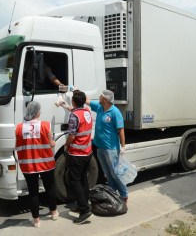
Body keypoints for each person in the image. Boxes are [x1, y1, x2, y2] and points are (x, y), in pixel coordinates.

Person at [15, 101, 59, 228]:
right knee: (50, 187)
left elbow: (17, 146)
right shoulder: (46, 125)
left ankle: (36, 221)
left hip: (28, 165)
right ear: (38, 112)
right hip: (46, 164)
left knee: (33, 192)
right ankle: (54, 212)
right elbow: (51, 144)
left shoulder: (19, 128)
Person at [86, 89, 128, 203]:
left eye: (100, 96)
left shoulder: (115, 112)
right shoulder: (99, 108)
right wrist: (75, 90)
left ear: (105, 99)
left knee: (115, 173)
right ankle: (113, 194)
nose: (98, 98)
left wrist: (123, 146)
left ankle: (124, 195)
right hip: (100, 147)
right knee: (107, 173)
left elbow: (121, 130)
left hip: (111, 149)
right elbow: (86, 100)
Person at [64, 90, 93, 224]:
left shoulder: (74, 116)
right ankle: (84, 203)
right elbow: (77, 111)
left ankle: (84, 210)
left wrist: (66, 145)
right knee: (83, 180)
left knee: (74, 181)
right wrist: (65, 106)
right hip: (87, 151)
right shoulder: (87, 111)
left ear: (74, 102)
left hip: (77, 153)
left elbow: (72, 135)